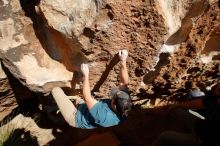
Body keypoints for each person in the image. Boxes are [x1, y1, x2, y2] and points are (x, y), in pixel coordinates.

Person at [50, 50, 132, 129]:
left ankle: (53, 115)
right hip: (85, 107)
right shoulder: (124, 104)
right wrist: (123, 61)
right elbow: (124, 83)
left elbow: (87, 98)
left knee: (56, 90)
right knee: (75, 99)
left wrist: (86, 76)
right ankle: (67, 103)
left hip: (75, 117)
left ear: (114, 105)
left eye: (114, 96)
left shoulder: (104, 116)